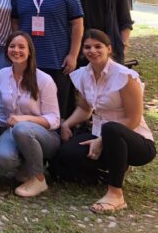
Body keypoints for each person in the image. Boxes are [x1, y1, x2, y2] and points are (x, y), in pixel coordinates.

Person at [55, 29, 155, 214]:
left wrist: (101, 140)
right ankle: (109, 171)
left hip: (135, 140)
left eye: (98, 46)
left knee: (111, 129)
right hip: (100, 135)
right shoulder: (84, 74)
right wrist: (66, 124)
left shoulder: (124, 76)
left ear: (109, 49)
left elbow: (133, 117)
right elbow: (85, 109)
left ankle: (116, 194)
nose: (92, 50)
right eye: (87, 47)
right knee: (65, 154)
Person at [11, 0, 83, 117]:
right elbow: (14, 19)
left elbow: (77, 24)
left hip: (57, 59)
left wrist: (73, 55)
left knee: (59, 106)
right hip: (29, 61)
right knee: (31, 104)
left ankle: (60, 138)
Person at [0, 31, 60, 197]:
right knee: (2, 157)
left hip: (45, 137)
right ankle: (26, 168)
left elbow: (55, 119)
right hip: (13, 132)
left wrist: (25, 119)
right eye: (12, 46)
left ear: (30, 51)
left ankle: (38, 179)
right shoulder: (2, 74)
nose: (16, 50)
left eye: (22, 47)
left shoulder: (44, 79)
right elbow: (2, 112)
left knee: (21, 128)